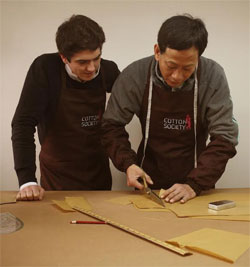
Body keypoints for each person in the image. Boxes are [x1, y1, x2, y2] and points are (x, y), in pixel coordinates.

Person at [101, 14, 238, 203]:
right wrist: (128, 164)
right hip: (147, 184)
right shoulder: (135, 75)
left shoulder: (212, 76)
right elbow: (111, 126)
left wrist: (195, 184)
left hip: (196, 185)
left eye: (187, 68)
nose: (176, 76)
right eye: (171, 65)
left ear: (198, 58)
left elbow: (225, 137)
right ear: (157, 51)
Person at [12, 15, 120, 201]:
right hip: (58, 175)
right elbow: (23, 123)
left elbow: (130, 103)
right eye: (82, 62)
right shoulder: (46, 69)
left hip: (97, 170)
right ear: (64, 57)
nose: (92, 68)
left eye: (96, 58)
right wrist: (27, 180)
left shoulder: (108, 70)